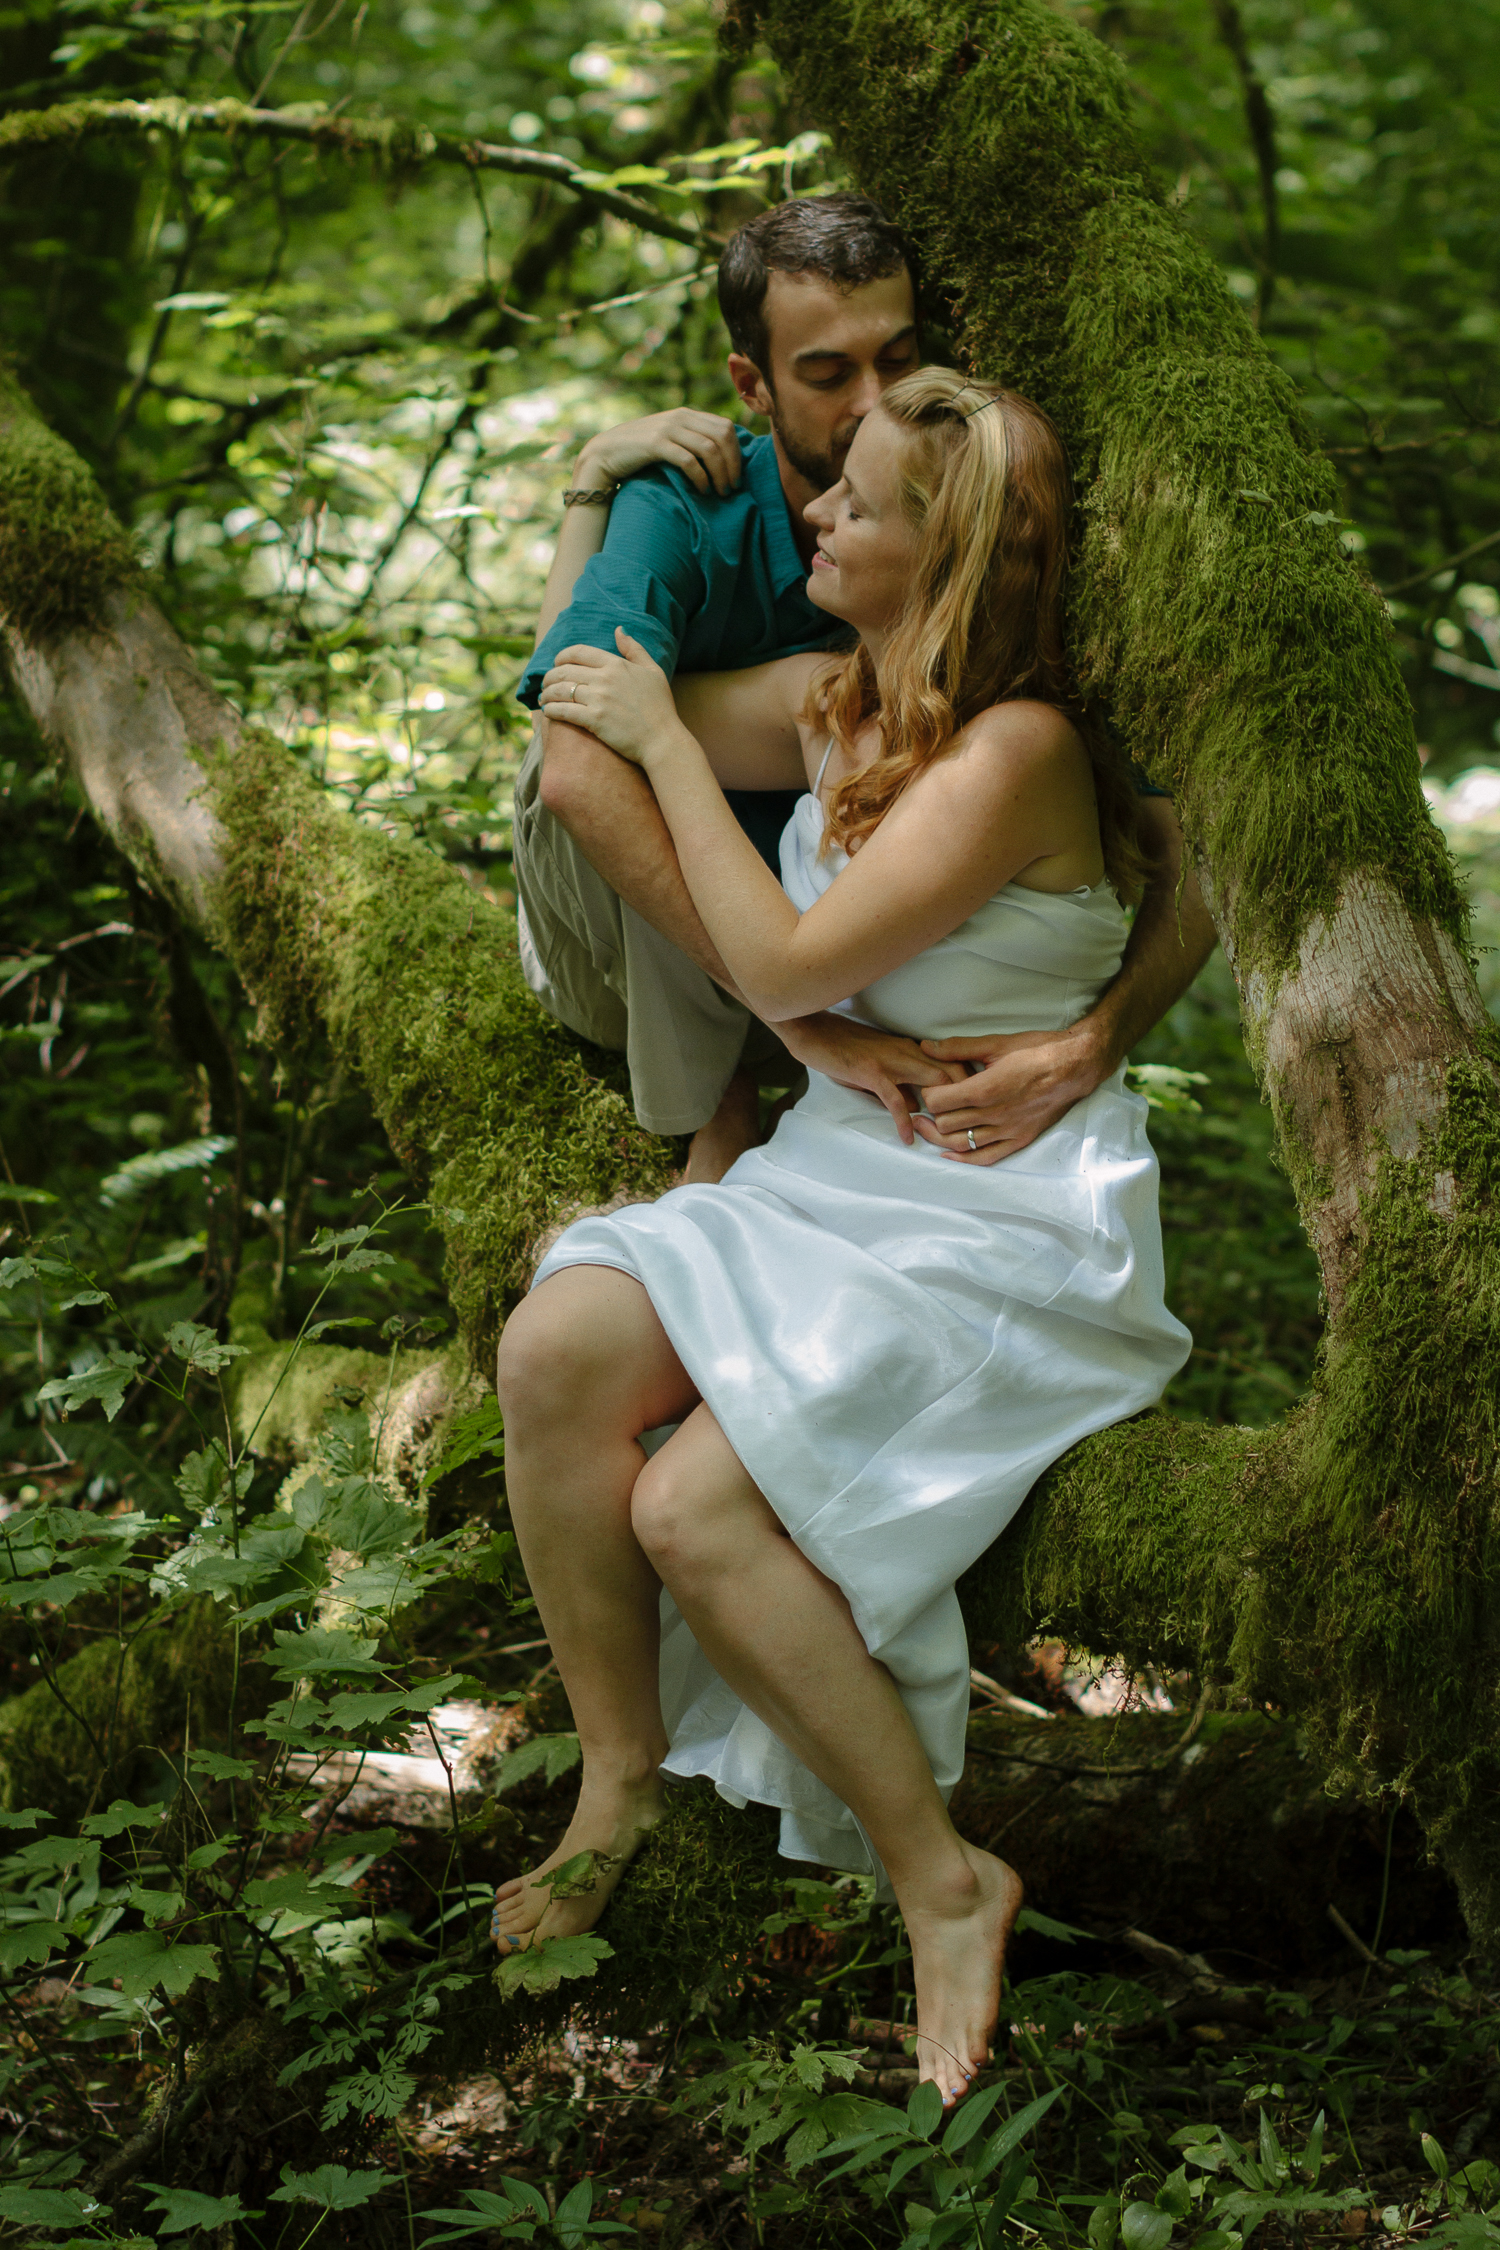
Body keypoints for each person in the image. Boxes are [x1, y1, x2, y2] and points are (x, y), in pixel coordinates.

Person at [491, 370, 1193, 2108]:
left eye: (858, 506)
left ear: (936, 556)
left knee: (693, 1504)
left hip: (999, 1206)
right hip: (838, 1172)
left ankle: (942, 1879)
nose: (816, 516)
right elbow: (583, 710)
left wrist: (669, 742)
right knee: (555, 1345)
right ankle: (619, 1778)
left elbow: (790, 964)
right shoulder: (836, 696)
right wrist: (594, 508)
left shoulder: (1015, 751)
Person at [512, 194, 1218, 1182]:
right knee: (601, 757)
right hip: (688, 957)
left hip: (851, 975)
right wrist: (803, 1030)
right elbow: (577, 749)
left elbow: (1188, 845)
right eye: (827, 372)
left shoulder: (994, 558)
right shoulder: (693, 515)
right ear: (752, 383)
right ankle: (720, 1106)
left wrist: (1095, 1043)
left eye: (897, 357)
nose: (871, 399)